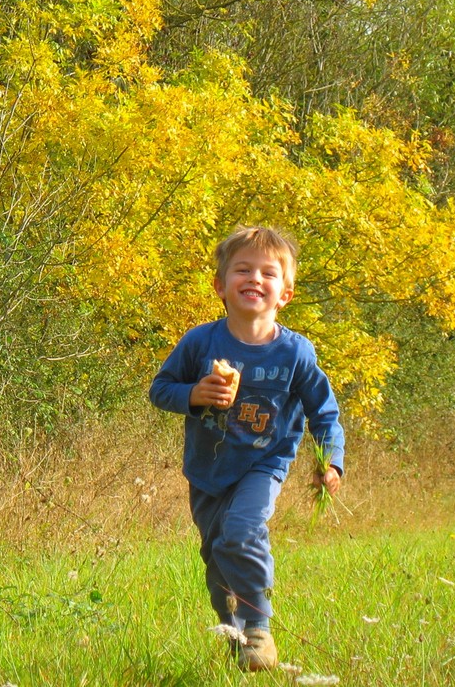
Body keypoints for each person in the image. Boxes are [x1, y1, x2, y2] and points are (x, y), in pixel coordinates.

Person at [149, 225, 345, 672]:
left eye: (268, 273)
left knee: (240, 533)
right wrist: (194, 394)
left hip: (264, 462)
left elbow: (325, 413)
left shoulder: (295, 354)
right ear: (220, 285)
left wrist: (332, 461)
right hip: (207, 468)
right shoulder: (201, 342)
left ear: (285, 294)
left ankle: (258, 627)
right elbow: (160, 390)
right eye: (242, 269)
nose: (254, 278)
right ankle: (236, 632)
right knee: (217, 555)